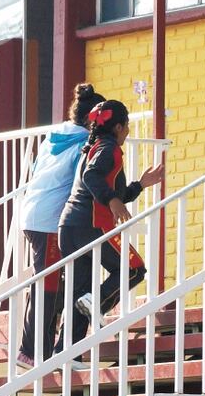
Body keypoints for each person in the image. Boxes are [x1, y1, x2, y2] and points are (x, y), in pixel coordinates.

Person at [57, 99, 165, 350]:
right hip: (90, 225)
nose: (127, 132)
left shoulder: (93, 146)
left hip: (70, 227)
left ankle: (65, 353)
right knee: (133, 269)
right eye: (126, 126)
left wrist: (140, 185)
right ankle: (96, 304)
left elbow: (106, 187)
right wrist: (113, 200)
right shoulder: (109, 149)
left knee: (80, 294)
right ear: (118, 127)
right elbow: (92, 177)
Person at [15, 83, 105, 372]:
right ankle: (31, 352)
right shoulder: (84, 143)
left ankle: (43, 347)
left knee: (52, 282)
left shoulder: (54, 135)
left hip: (33, 213)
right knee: (49, 286)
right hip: (50, 219)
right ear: (93, 121)